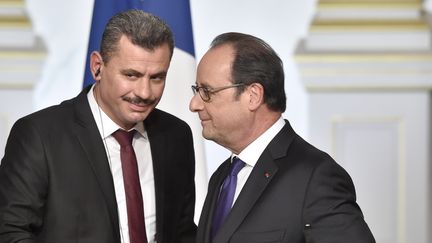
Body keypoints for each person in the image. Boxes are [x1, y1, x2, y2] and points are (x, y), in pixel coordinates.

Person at [0, 10, 196, 243]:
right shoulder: (39, 136)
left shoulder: (176, 136)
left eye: (156, 77)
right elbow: (11, 232)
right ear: (97, 67)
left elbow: (182, 233)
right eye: (131, 75)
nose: (144, 92)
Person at [190, 32, 375, 243]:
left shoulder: (315, 177)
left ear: (253, 96)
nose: (194, 104)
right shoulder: (223, 176)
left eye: (207, 91)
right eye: (197, 90)